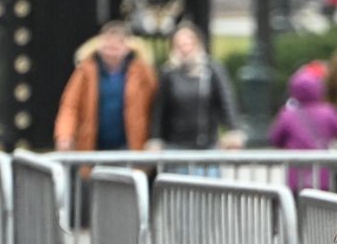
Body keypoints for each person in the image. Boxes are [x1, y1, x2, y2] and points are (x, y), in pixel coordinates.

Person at [53, 21, 158, 156]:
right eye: (108, 46)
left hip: (130, 146)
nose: (111, 52)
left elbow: (155, 103)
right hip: (93, 146)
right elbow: (70, 106)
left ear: (127, 47)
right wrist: (64, 135)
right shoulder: (86, 71)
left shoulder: (141, 72)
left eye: (116, 47)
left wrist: (143, 53)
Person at [149, 23, 242, 165]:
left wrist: (233, 131)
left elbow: (226, 101)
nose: (185, 48)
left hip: (207, 146)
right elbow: (159, 109)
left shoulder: (212, 69)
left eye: (188, 43)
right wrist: (155, 139)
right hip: (176, 147)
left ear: (197, 44)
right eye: (179, 44)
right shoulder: (168, 73)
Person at [269, 62, 337, 193]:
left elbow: (275, 139)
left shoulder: (287, 114)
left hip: (296, 176)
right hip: (323, 175)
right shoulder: (328, 112)